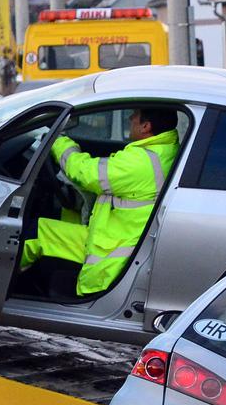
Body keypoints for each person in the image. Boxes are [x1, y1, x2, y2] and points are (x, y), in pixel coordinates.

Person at [18, 107, 180, 296]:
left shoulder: (141, 162)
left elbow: (83, 172)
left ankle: (2, 284)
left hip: (112, 255)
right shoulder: (165, 150)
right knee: (49, 224)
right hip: (119, 238)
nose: (130, 118)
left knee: (33, 233)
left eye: (135, 115)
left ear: (146, 126)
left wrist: (57, 140)